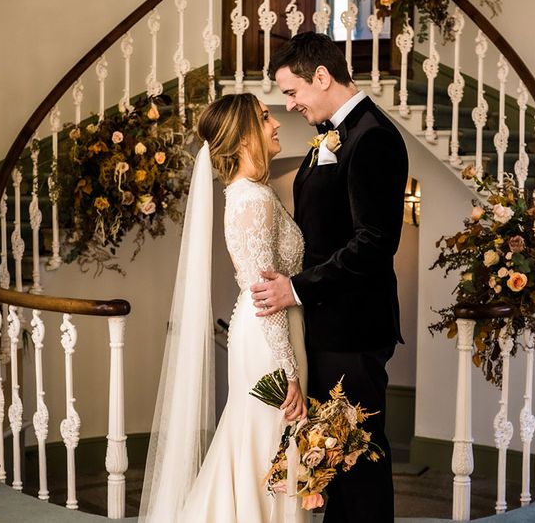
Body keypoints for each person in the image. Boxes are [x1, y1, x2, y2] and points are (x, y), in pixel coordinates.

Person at [251, 31, 408, 522]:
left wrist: (296, 288)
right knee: (335, 457)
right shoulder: (337, 132)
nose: (291, 104)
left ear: (321, 77)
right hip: (329, 325)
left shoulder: (373, 136)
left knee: (358, 457)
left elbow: (375, 242)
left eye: (293, 91)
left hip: (353, 328)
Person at [139, 93, 309, 523]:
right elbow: (264, 293)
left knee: (263, 445)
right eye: (265, 118)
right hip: (270, 341)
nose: (276, 124)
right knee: (271, 446)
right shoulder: (251, 199)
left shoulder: (254, 192)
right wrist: (288, 371)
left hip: (274, 333)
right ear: (242, 139)